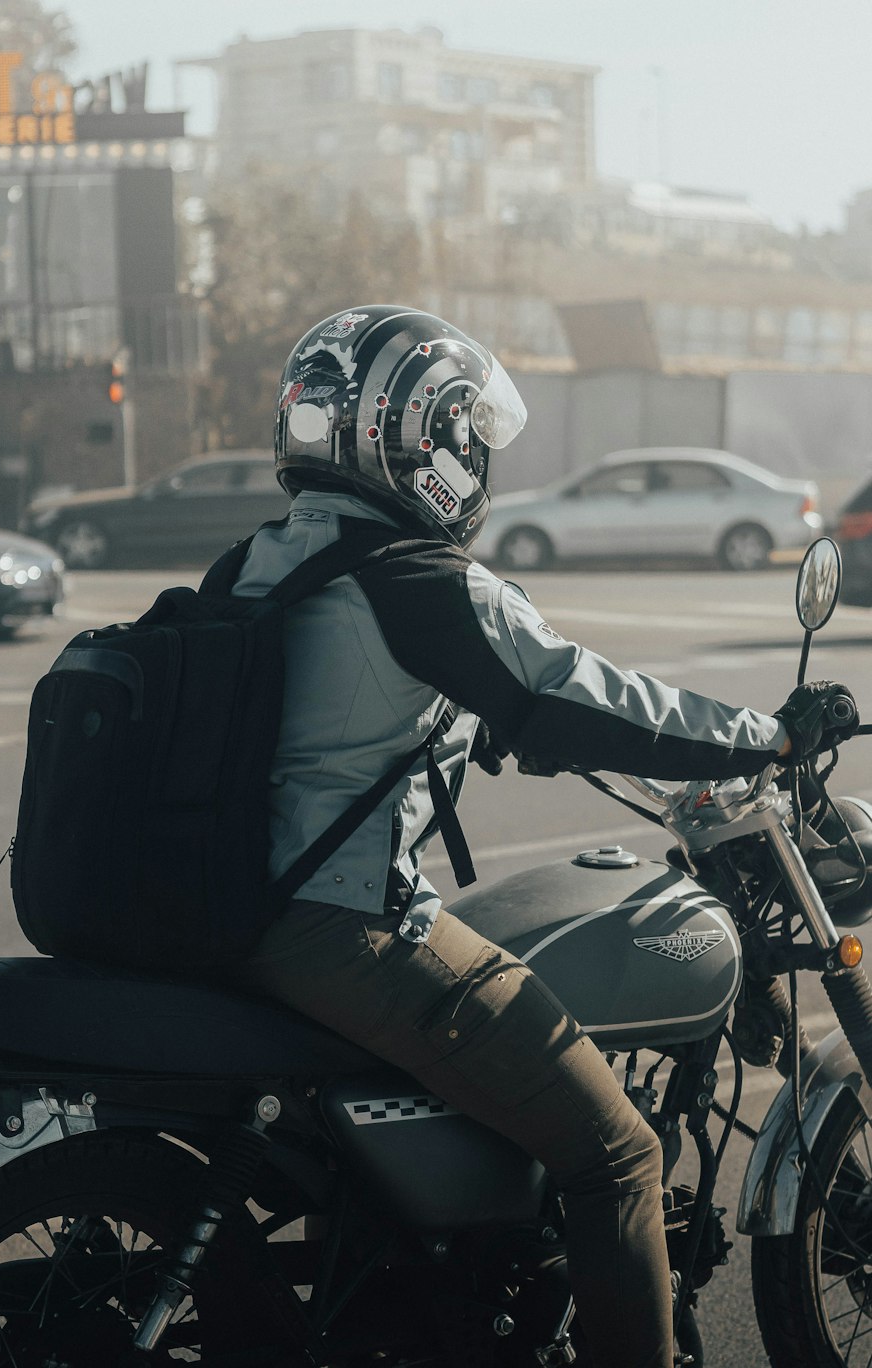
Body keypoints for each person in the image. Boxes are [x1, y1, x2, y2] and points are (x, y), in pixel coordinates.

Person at [227, 305, 856, 1368]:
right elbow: (581, 692)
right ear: (419, 435)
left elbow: (319, 729)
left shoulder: (262, 564)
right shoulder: (415, 581)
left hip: (236, 916)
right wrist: (767, 737)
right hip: (341, 929)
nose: (475, 454)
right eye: (466, 431)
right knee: (614, 1154)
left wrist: (477, 723)